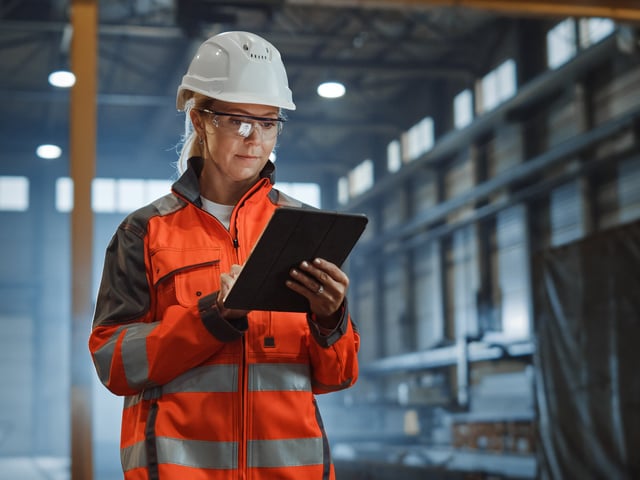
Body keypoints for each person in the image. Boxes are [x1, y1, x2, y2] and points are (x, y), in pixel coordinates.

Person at [88, 31, 360, 480]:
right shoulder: (146, 231)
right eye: (237, 120)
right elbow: (114, 362)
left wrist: (331, 319)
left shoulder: (305, 229)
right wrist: (212, 317)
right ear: (200, 120)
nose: (254, 138)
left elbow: (337, 377)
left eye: (269, 122)